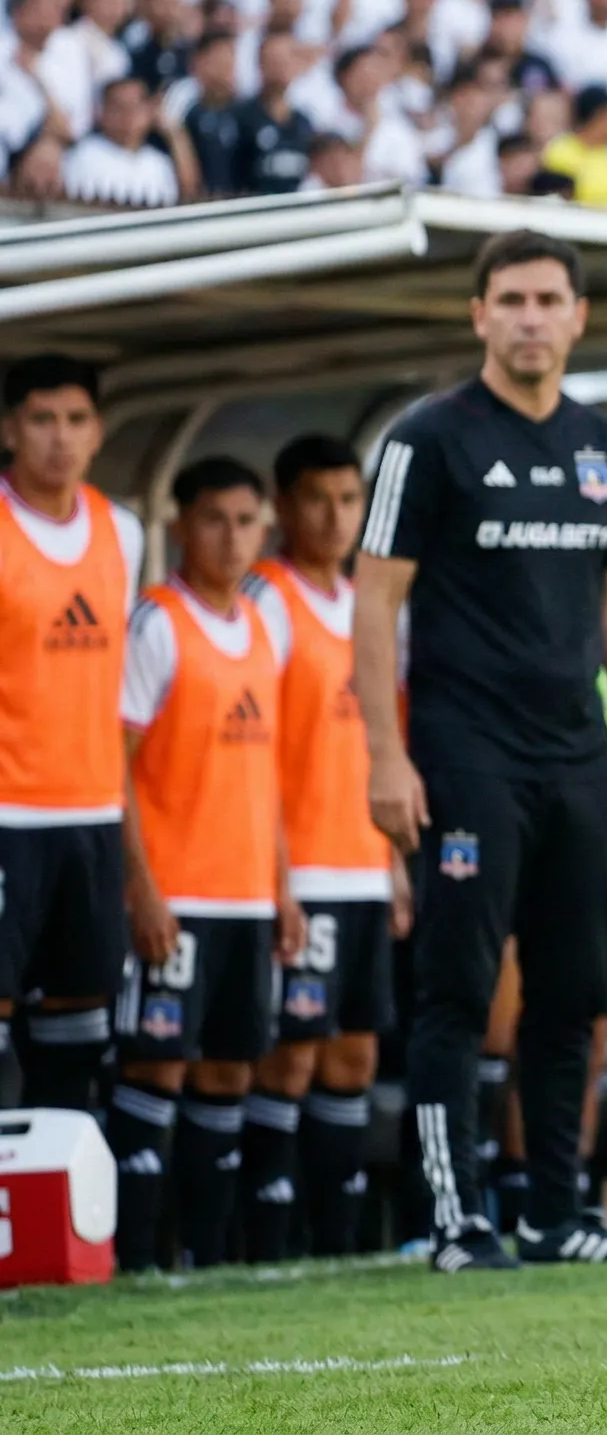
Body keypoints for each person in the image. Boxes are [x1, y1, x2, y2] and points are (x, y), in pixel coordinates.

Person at [353, 228, 607, 1272]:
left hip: (580, 758)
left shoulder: (603, 445)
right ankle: (454, 1215)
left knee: (574, 989)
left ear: (578, 316)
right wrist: (387, 754)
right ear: (478, 314)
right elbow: (373, 604)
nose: (531, 317)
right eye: (512, 299)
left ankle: (556, 1210)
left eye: (548, 299)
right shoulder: (426, 437)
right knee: (455, 985)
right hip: (464, 752)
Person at [109, 457, 305, 1271]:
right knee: (157, 1069)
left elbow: (267, 776)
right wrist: (143, 890)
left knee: (230, 1073)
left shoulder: (267, 623)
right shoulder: (155, 623)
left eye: (245, 520)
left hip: (247, 897)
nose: (232, 537)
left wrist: (282, 889)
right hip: (177, 896)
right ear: (182, 526)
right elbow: (112, 765)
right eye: (215, 520)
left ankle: (208, 1258)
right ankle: (137, 1258)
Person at [238, 436, 411, 1260]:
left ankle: (337, 1250)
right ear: (284, 503)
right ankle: (266, 1250)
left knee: (354, 1056)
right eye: (318, 499)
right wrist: (275, 876)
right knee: (288, 1061)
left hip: (364, 865)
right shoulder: (265, 599)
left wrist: (395, 862)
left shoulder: (369, 601)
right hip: (297, 867)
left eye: (350, 500)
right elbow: (250, 751)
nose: (336, 517)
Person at [0, 356, 144, 1112]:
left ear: (97, 432)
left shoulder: (122, 531)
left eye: (77, 420)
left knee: (77, 1036)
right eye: (42, 419)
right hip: (8, 819)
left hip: (90, 819)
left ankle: (57, 1225)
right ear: (10, 428)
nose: (60, 438)